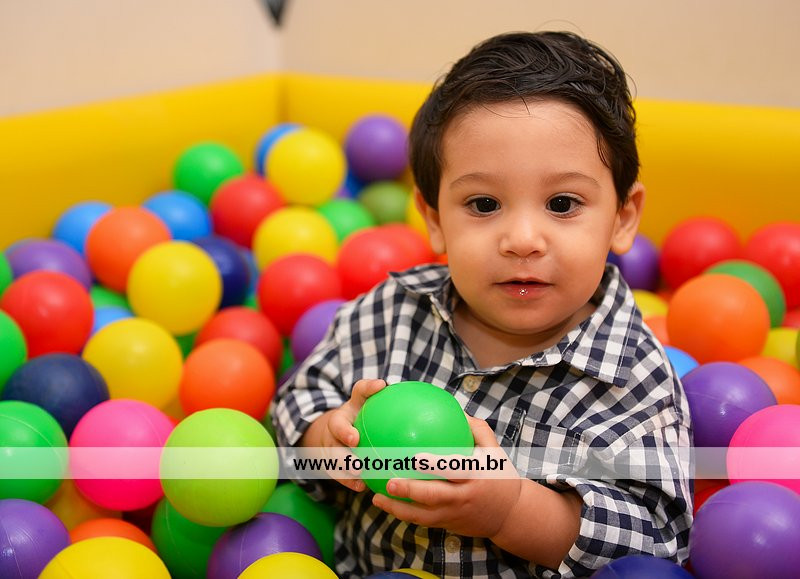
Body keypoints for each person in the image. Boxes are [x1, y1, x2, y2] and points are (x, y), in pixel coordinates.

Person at [273, 30, 692, 578]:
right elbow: (295, 402)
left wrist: (510, 510)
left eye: (562, 203)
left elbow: (657, 541)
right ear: (433, 218)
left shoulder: (634, 379)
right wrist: (329, 439)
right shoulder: (390, 312)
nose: (522, 240)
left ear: (623, 217)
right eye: (484, 204)